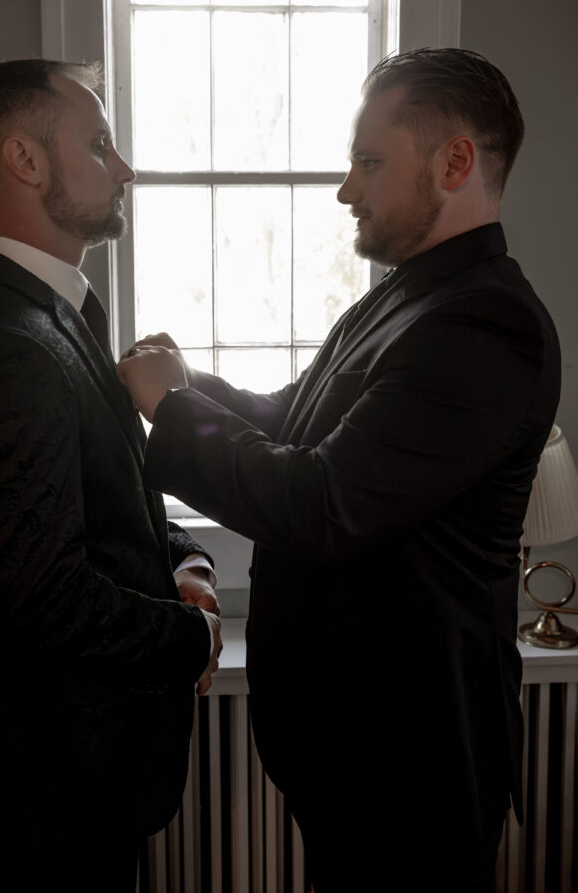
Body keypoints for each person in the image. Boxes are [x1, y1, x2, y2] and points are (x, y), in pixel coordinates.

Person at [117, 48, 561, 892]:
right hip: (352, 753)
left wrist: (173, 411)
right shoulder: (404, 296)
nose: (344, 189)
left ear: (455, 161)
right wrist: (189, 382)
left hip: (413, 769)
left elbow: (323, 503)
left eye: (366, 162)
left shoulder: (486, 325)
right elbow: (299, 421)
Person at [0, 58, 222, 893]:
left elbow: (107, 503)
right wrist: (188, 637)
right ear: (25, 160)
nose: (123, 167)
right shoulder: (4, 347)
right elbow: (41, 595)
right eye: (99, 143)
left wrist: (185, 562)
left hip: (87, 784)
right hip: (49, 799)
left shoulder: (56, 315)